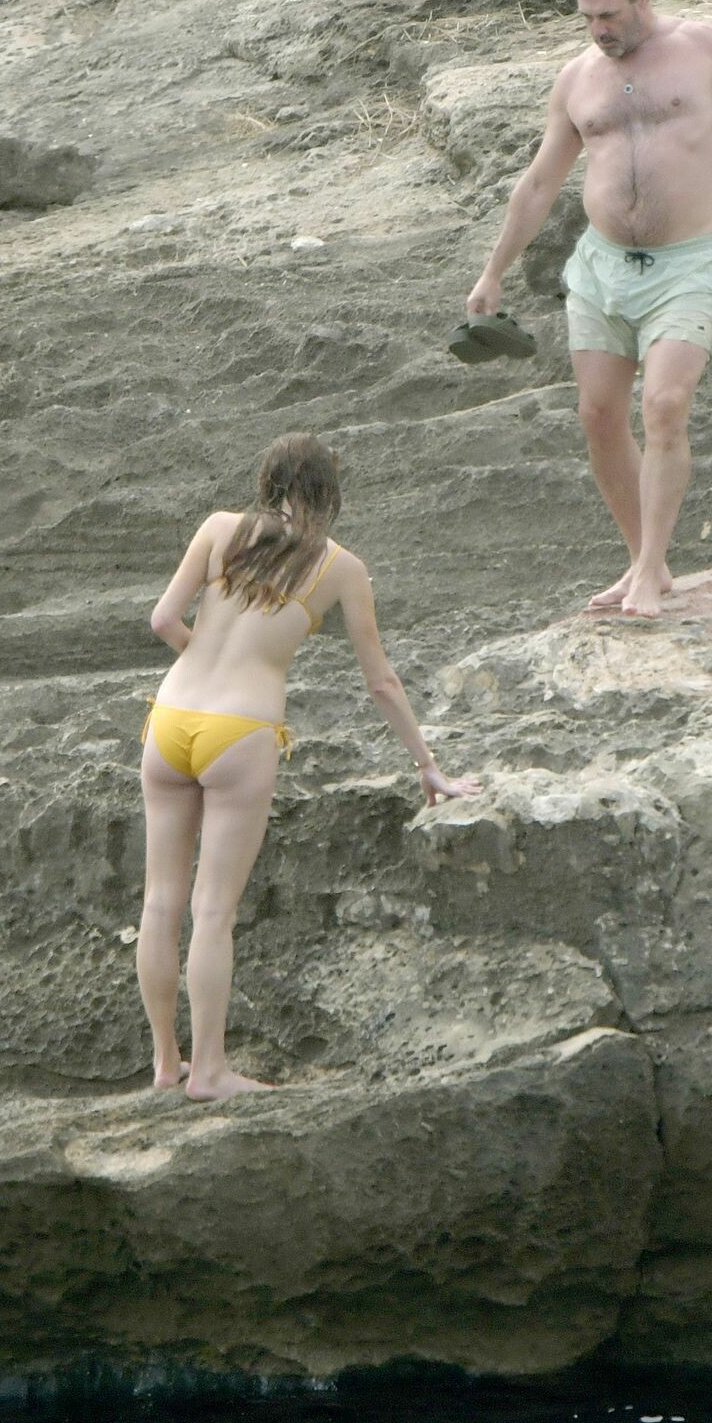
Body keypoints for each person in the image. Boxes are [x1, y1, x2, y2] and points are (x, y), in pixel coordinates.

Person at [466, 0, 712, 619]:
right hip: (600, 267)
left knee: (663, 405)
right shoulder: (576, 79)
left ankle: (652, 566)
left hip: (684, 265)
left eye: (609, 15)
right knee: (598, 416)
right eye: (586, 17)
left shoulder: (703, 46)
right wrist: (493, 271)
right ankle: (642, 563)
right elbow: (538, 184)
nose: (598, 29)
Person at [136, 432, 480, 1101]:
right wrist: (427, 765)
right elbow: (381, 682)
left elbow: (162, 620)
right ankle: (209, 1071)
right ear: (329, 492)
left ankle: (165, 1063)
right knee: (213, 911)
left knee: (160, 902)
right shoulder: (342, 568)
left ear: (266, 481)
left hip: (169, 719)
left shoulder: (219, 528)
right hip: (241, 731)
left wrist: (203, 664)